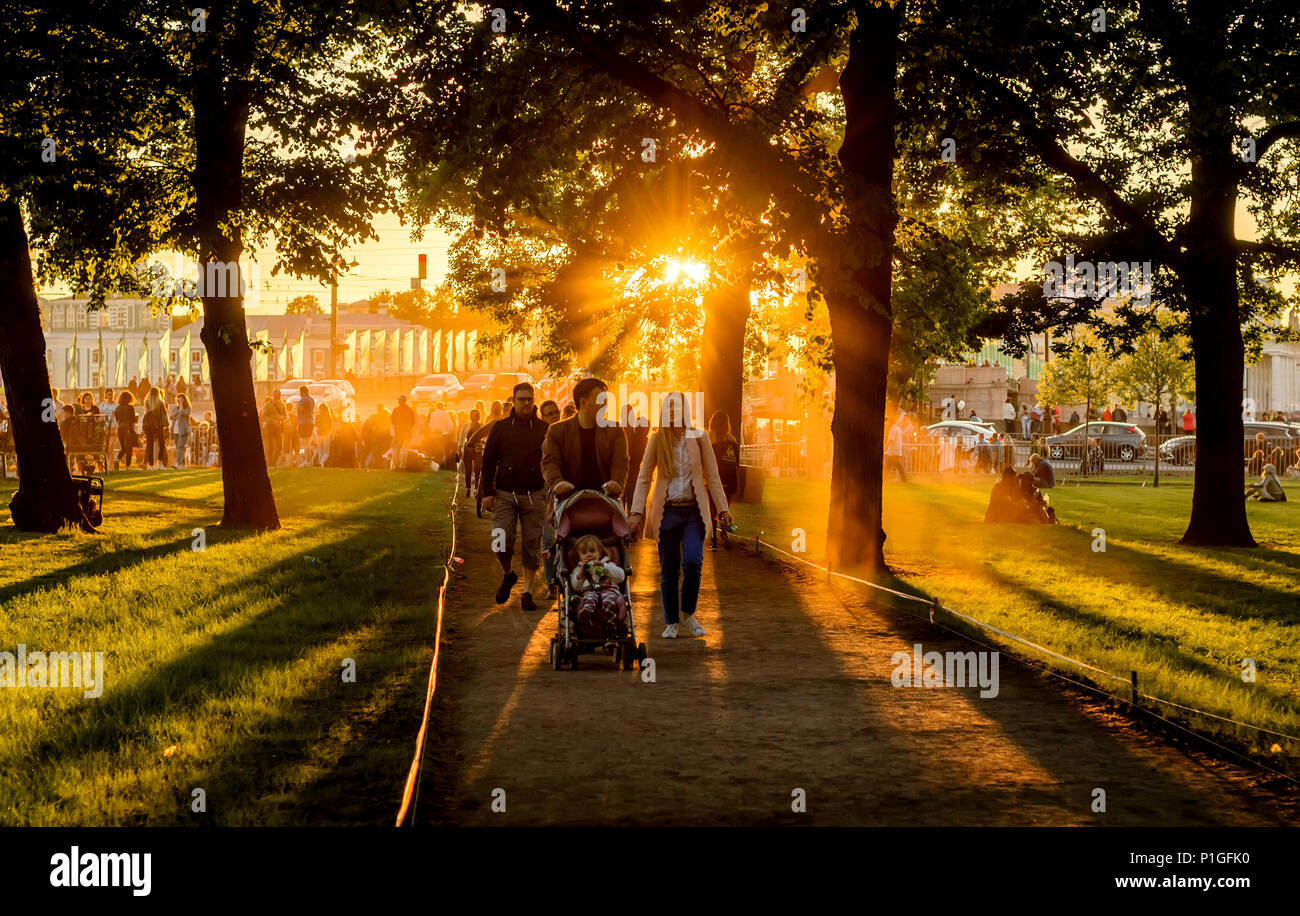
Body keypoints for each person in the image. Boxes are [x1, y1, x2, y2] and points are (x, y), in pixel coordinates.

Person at [628, 392, 732, 639]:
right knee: (669, 569)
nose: (675, 414)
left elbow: (713, 476)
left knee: (693, 563)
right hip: (668, 513)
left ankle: (689, 614)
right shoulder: (656, 440)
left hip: (694, 513)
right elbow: (643, 478)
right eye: (670, 409)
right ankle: (671, 622)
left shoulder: (700, 438)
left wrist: (724, 509)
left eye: (679, 408)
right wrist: (635, 512)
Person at [482, 383, 551, 611]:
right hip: (504, 494)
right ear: (513, 400)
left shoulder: (544, 429)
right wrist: (487, 493)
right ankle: (508, 574)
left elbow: (552, 460)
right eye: (521, 399)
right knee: (500, 540)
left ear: (534, 401)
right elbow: (488, 460)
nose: (526, 404)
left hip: (535, 494)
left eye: (530, 400)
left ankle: (527, 592)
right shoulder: (501, 428)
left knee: (532, 543)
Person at [541, 376, 629, 501]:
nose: (605, 405)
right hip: (568, 500)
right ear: (583, 402)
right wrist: (557, 483)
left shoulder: (615, 430)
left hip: (606, 500)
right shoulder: (557, 431)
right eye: (600, 401)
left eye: (606, 401)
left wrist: (616, 483)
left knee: (621, 520)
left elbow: (620, 463)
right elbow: (550, 462)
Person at [568, 533, 628, 643]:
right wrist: (581, 574)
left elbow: (621, 576)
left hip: (609, 590)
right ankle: (586, 613)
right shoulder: (578, 569)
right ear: (579, 555)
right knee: (589, 598)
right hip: (589, 592)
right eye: (584, 552)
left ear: (600, 552)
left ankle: (612, 630)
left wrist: (604, 567)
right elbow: (575, 587)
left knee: (609, 600)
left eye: (592, 551)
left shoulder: (608, 564)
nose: (589, 555)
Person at [708, 410, 741, 549]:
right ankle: (727, 532)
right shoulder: (731, 439)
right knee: (725, 508)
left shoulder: (708, 437)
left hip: (713, 480)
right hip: (729, 480)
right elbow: (736, 462)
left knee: (712, 509)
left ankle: (713, 537)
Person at [622, 405, 650, 510]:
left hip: (629, 477)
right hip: (633, 477)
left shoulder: (633, 435)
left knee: (631, 507)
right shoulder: (639, 437)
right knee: (634, 508)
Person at [139, 387, 168, 469]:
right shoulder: (160, 402)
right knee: (161, 444)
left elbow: (145, 415)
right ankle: (160, 463)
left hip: (149, 425)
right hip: (159, 425)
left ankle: (151, 465)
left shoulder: (147, 402)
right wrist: (166, 425)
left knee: (150, 445)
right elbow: (164, 415)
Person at [390, 395, 417, 470]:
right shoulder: (409, 410)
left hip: (398, 433)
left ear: (399, 401)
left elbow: (393, 421)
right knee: (405, 450)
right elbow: (413, 422)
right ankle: (402, 466)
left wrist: (398, 425)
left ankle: (396, 466)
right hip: (407, 433)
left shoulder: (396, 409)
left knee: (396, 450)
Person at [294, 385, 315, 464]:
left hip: (303, 423)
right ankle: (308, 460)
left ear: (303, 392)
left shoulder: (304, 399)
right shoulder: (311, 399)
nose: (300, 394)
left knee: (304, 442)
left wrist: (297, 406)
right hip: (310, 422)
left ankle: (306, 460)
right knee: (308, 442)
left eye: (300, 392)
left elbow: (300, 409)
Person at [170, 392, 192, 468]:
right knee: (179, 447)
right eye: (178, 398)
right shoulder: (175, 407)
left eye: (181, 398)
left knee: (180, 447)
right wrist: (174, 414)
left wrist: (181, 404)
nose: (179, 400)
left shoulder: (188, 408)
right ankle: (182, 464)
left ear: (184, 399)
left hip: (183, 430)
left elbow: (183, 413)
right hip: (175, 430)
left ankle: (177, 463)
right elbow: (171, 417)